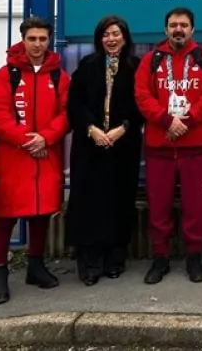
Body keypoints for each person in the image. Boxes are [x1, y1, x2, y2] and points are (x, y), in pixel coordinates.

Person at [134, 7, 202, 284]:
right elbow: (142, 95)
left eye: (183, 25)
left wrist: (189, 120)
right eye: (173, 25)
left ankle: (194, 257)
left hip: (196, 146)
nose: (178, 30)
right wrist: (166, 120)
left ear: (192, 30)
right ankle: (160, 258)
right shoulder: (151, 59)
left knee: (195, 206)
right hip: (160, 147)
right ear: (166, 29)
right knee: (159, 206)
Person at [0, 16, 70, 305]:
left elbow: (66, 114)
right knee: (5, 216)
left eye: (42, 39)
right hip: (13, 158)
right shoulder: (4, 75)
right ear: (23, 40)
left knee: (41, 213)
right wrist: (28, 140)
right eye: (32, 39)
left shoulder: (59, 76)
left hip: (46, 155)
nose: (37, 44)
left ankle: (36, 265)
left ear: (49, 40)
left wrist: (45, 138)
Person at [66, 15, 144, 285]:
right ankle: (90, 263)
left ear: (125, 37)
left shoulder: (136, 67)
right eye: (106, 34)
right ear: (99, 39)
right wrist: (92, 129)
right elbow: (75, 103)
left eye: (116, 34)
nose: (111, 39)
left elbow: (142, 103)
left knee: (119, 201)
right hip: (90, 146)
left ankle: (115, 259)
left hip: (124, 145)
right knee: (89, 203)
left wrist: (123, 128)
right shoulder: (87, 65)